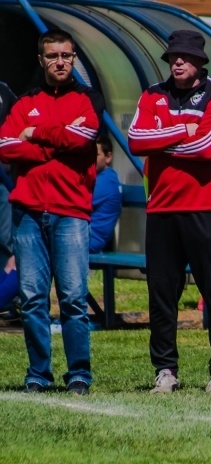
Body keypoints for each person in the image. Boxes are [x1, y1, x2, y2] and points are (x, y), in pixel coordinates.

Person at [128, 29, 211, 394]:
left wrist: (162, 139)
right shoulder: (152, 95)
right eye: (173, 56)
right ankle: (165, 371)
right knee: (160, 294)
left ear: (200, 62)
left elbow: (207, 147)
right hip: (161, 209)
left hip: (205, 208)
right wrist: (181, 131)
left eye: (185, 57)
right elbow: (135, 140)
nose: (177, 61)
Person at [0, 29, 104, 395]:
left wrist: (36, 133)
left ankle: (79, 374)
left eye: (66, 55)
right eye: (53, 56)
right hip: (27, 213)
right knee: (32, 299)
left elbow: (84, 139)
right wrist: (52, 142)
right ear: (41, 60)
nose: (60, 62)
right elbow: (7, 147)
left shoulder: (87, 100)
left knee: (74, 298)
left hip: (71, 212)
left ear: (74, 59)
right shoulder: (23, 101)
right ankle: (38, 374)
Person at [90, 135, 122, 253]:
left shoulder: (105, 180)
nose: (91, 158)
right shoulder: (105, 177)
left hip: (91, 238)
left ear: (108, 157)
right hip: (85, 236)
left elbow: (76, 203)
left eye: (96, 155)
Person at [0, 82, 16, 274]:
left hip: (2, 180)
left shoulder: (4, 90)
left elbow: (22, 115)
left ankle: (7, 296)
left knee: (5, 238)